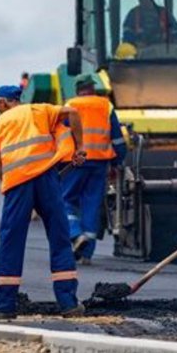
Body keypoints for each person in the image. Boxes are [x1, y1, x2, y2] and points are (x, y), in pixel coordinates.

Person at [0, 85, 88, 319]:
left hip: (18, 184)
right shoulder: (39, 110)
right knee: (60, 237)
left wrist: (11, 195)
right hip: (47, 178)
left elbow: (0, 167)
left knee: (11, 240)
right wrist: (80, 147)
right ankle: (69, 303)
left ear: (3, 103)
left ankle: (5, 306)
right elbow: (72, 112)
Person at [61, 75, 127, 265]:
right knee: (92, 205)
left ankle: (75, 234)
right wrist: (117, 162)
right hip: (100, 163)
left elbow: (62, 134)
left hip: (75, 161)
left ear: (78, 90)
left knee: (64, 200)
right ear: (93, 88)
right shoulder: (106, 105)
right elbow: (117, 139)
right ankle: (87, 254)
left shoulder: (70, 105)